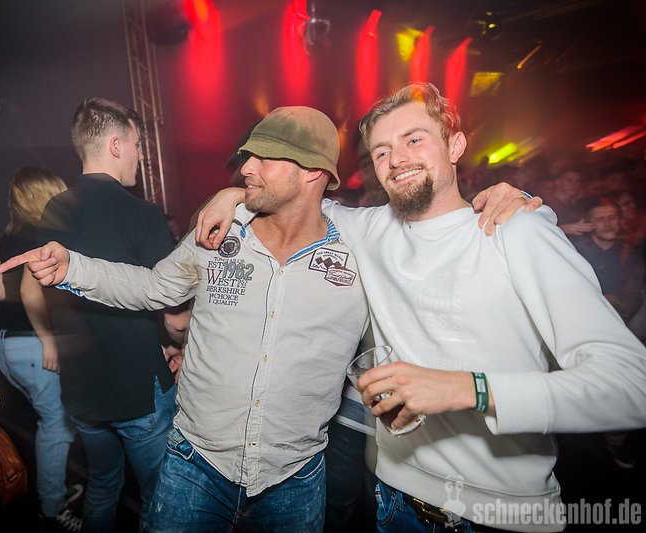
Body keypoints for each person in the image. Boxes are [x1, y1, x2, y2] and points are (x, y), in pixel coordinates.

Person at [0, 106, 532, 532]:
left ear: (314, 173)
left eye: (265, 159)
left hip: (294, 477)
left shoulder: (363, 244)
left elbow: (440, 226)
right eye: (246, 157)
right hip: (194, 465)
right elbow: (152, 287)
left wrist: (512, 200)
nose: (245, 169)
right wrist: (74, 268)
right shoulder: (218, 233)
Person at [195, 83, 646, 533]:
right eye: (382, 151)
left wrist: (469, 389)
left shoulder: (516, 230)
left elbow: (630, 385)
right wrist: (233, 196)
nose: (397, 159)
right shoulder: (370, 229)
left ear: (455, 145)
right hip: (393, 501)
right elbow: (296, 198)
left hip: (500, 514)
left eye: (414, 139)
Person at [36, 98, 179, 532]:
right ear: (116, 145)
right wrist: (178, 344)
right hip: (137, 389)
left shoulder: (53, 210)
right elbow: (173, 310)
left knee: (102, 484)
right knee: (161, 496)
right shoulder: (142, 213)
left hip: (82, 389)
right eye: (137, 144)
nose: (142, 155)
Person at [0, 166, 81, 532]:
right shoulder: (42, 236)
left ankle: (53, 488)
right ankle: (52, 508)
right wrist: (49, 341)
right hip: (32, 346)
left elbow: (1, 292)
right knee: (57, 427)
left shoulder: (10, 236)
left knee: (53, 423)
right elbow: (30, 293)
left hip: (7, 345)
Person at [569, 197, 644, 470]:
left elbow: (632, 299)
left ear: (621, 220)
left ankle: (615, 441)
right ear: (588, 223)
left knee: (619, 388)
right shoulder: (573, 247)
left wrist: (616, 303)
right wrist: (563, 228)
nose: (607, 223)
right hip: (573, 328)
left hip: (615, 330)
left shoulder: (630, 256)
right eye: (599, 219)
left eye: (612, 217)